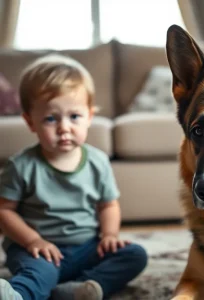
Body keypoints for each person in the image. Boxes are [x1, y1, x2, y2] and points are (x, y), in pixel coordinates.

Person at [0, 54, 147, 300]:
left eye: (74, 117)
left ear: (89, 116)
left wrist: (109, 236)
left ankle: (79, 288)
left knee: (134, 255)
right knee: (39, 273)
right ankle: (18, 295)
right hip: (38, 250)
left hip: (86, 247)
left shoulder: (98, 162)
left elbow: (108, 204)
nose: (64, 128)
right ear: (30, 122)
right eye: (50, 118)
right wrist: (33, 241)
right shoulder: (22, 165)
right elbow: (5, 212)